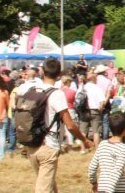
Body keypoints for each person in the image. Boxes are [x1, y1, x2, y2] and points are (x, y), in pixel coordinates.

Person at [27, 57, 94, 192]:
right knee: (43, 189)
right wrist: (84, 140)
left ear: (42, 72)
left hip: (32, 143)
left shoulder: (31, 90)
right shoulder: (56, 94)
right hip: (48, 145)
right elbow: (69, 125)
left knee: (48, 184)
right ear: (59, 75)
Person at [88, 114, 125, 193]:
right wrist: (109, 190)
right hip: (117, 189)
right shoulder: (123, 148)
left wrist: (93, 182)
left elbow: (92, 167)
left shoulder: (102, 144)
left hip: (102, 188)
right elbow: (117, 170)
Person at [80, 73, 107, 150]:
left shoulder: (82, 88)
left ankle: (82, 149)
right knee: (96, 131)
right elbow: (102, 102)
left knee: (83, 131)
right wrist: (100, 110)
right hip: (95, 110)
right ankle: (97, 148)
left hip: (84, 110)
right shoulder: (97, 88)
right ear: (93, 79)